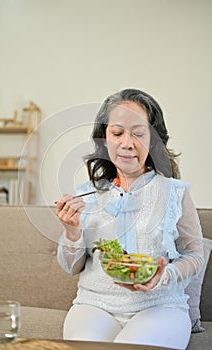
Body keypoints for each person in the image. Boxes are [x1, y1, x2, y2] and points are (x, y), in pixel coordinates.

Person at [55, 88, 204, 349]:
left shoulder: (175, 192)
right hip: (94, 305)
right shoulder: (85, 195)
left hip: (161, 306)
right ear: (104, 138)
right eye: (117, 133)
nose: (127, 143)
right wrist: (71, 233)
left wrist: (164, 275)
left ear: (153, 139)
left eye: (138, 133)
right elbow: (70, 268)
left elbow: (195, 255)